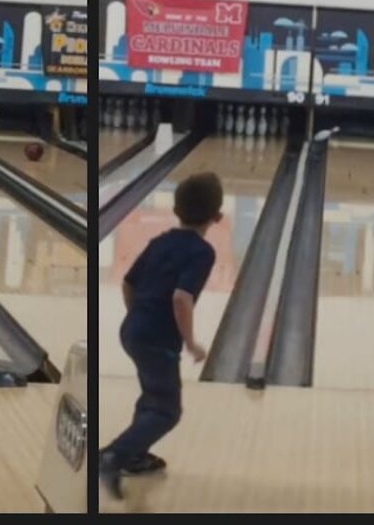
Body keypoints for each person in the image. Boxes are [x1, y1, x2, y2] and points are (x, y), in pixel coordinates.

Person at [99, 171, 223, 500]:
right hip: (157, 338)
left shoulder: (160, 241)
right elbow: (181, 299)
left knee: (152, 395)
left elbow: (128, 283)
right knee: (167, 411)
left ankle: (136, 455)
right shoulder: (202, 252)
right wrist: (192, 342)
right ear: (217, 216)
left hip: (133, 330)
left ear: (176, 210)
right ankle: (113, 455)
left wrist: (137, 317)